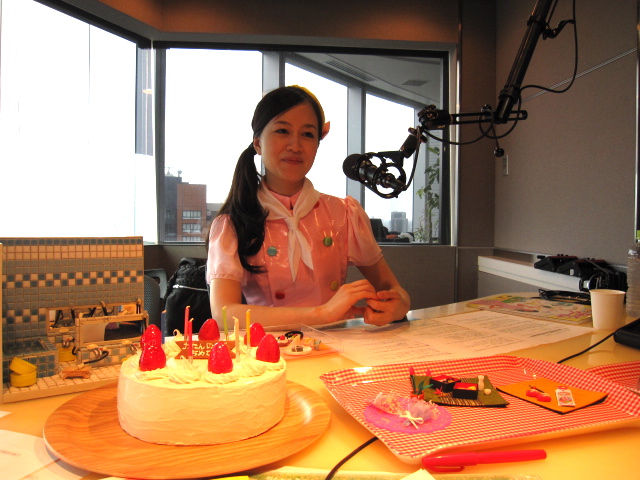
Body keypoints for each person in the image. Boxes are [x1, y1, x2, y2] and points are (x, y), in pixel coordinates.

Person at [206, 85, 410, 328]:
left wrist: (397, 305)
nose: (295, 145)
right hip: (269, 348)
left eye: (307, 134)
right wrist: (323, 314)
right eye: (283, 131)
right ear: (258, 144)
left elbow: (393, 289)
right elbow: (224, 314)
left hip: (337, 344)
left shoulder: (343, 213)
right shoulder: (233, 223)